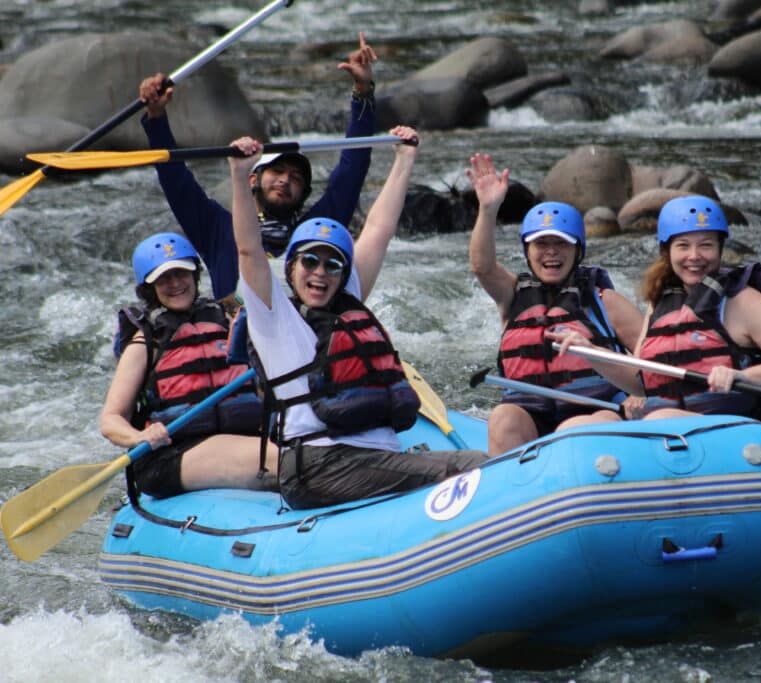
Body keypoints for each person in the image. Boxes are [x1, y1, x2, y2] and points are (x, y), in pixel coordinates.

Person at [228, 127, 488, 510]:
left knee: (481, 464)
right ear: (292, 266)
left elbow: (379, 231)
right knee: (478, 469)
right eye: (310, 262)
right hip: (320, 464)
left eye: (332, 264)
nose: (320, 272)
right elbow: (249, 249)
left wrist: (403, 161)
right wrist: (239, 174)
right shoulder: (274, 318)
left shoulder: (344, 301)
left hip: (371, 459)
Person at [548, 194, 761, 444]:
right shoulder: (661, 303)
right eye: (683, 246)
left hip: (742, 433)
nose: (694, 256)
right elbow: (642, 382)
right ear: (667, 251)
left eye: (705, 245)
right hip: (675, 433)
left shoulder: (740, 301)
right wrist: (593, 352)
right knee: (576, 427)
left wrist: (743, 375)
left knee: (660, 421)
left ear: (720, 249)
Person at [138, 32, 379, 302]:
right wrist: (156, 118)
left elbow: (352, 169)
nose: (285, 180)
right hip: (236, 337)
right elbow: (176, 180)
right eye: (277, 171)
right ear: (253, 180)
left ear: (305, 193)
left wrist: (362, 92)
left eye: (296, 177)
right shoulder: (217, 228)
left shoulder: (314, 230)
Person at [466, 153, 644, 455]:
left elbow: (652, 357)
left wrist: (639, 395)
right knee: (502, 417)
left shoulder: (605, 301)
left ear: (578, 251)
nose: (551, 253)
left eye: (561, 243)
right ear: (527, 250)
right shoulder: (513, 295)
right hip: (530, 414)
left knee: (571, 431)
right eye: (541, 244)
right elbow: (482, 267)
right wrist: (488, 209)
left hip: (596, 411)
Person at [99, 232, 277, 498]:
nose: (175, 284)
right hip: (172, 455)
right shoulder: (146, 342)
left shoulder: (228, 322)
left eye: (181, 273)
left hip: (243, 440)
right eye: (164, 278)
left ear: (195, 275)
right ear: (149, 288)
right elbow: (111, 420)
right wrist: (139, 438)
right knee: (288, 462)